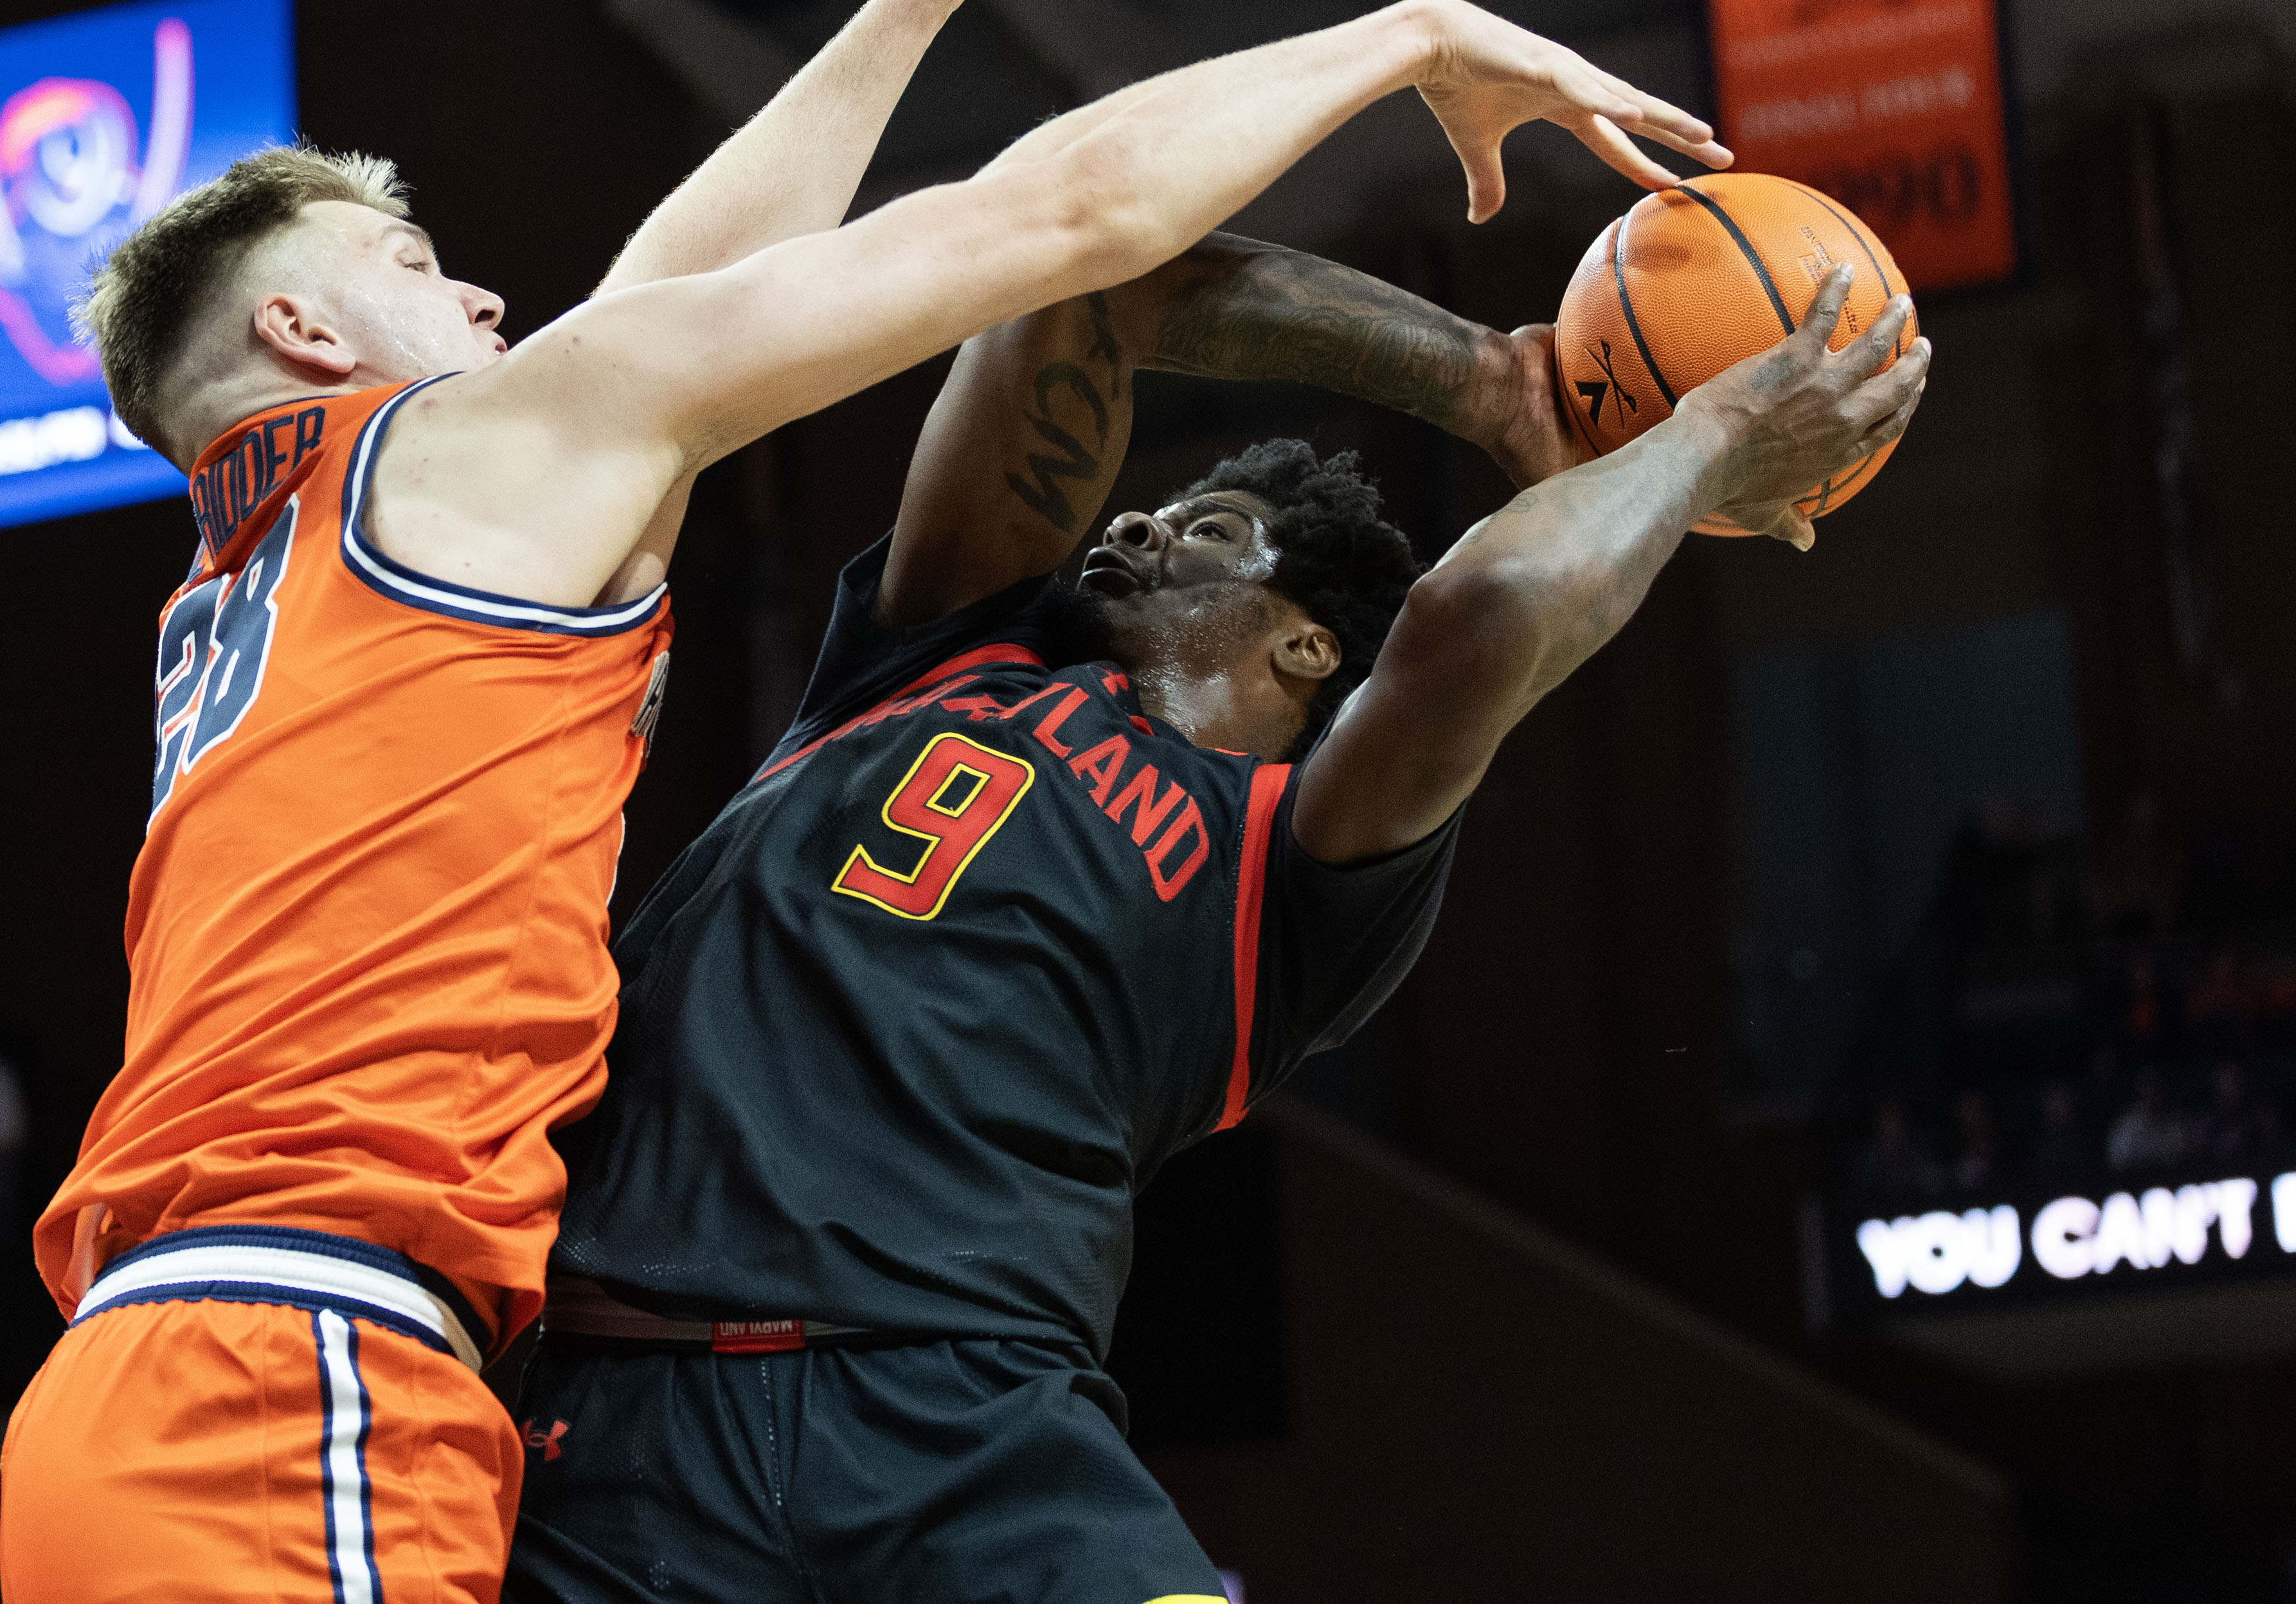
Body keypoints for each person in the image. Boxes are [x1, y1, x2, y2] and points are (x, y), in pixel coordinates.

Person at [0, 0, 1726, 1602]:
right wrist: (1413, 30)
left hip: (209, 1361)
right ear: (309, 336)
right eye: (408, 265)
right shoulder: (476, 455)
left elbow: (667, 307)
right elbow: (1063, 223)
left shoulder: (297, 545)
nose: (481, 288)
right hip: (300, 1366)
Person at [511, 167, 1922, 1602]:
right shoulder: (937, 649)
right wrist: (1489, 384)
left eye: (1203, 528)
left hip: (968, 1429)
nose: (1129, 525)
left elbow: (1480, 610)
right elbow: (1083, 293)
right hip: (626, 1414)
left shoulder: (1293, 864)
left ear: (1309, 650)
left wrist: (1709, 439)